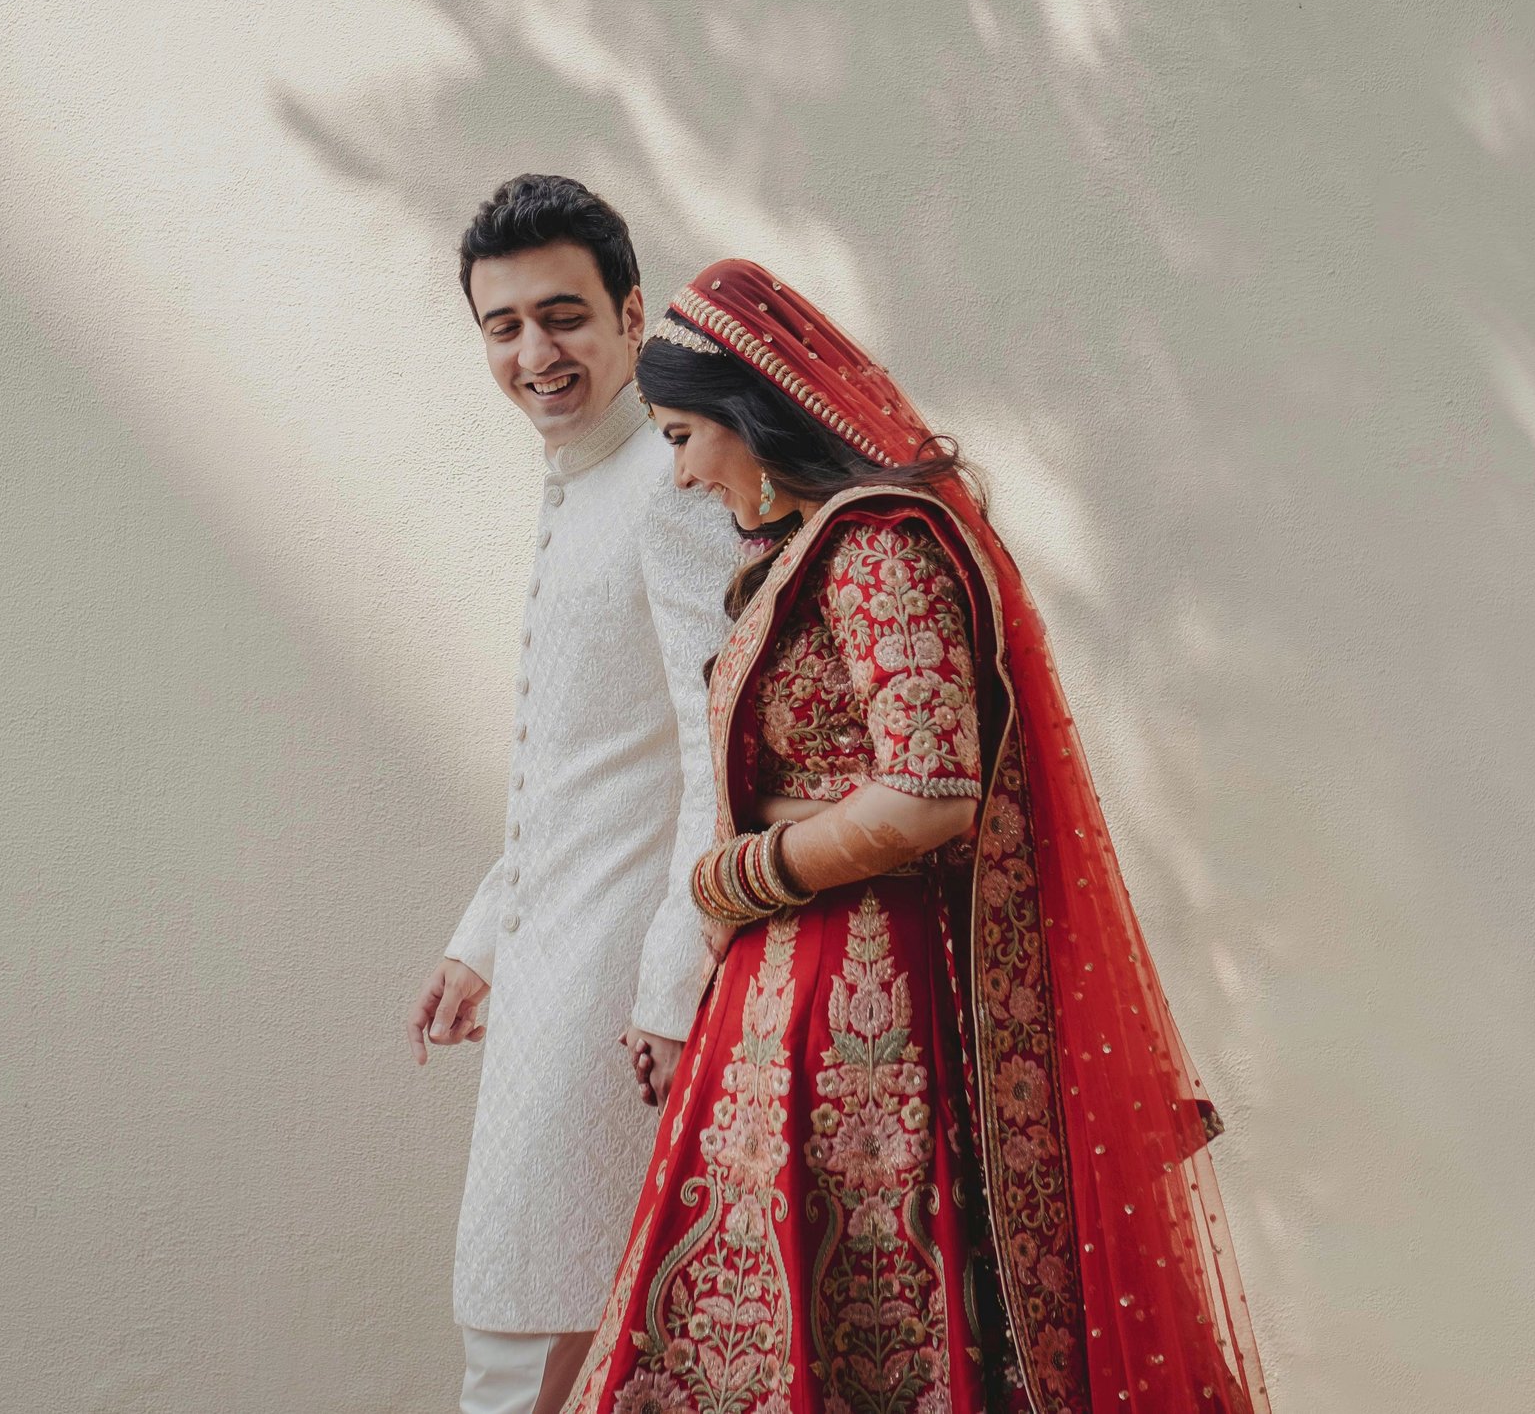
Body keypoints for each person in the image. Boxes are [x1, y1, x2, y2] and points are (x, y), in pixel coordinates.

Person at [569, 260, 1273, 1414]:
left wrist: (735, 872)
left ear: (752, 415)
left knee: (891, 1313)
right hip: (792, 992)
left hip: (878, 1008)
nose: (685, 473)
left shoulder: (879, 545)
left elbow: (932, 789)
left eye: (687, 435)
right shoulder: (812, 549)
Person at [412, 177, 738, 1414]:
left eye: (562, 316)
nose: (534, 353)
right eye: (503, 327)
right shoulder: (579, 482)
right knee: (551, 1324)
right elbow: (579, 754)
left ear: (631, 314)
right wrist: (482, 936)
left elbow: (716, 759)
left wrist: (667, 982)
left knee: (537, 1324)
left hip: (622, 983)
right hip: (555, 960)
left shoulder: (670, 486)